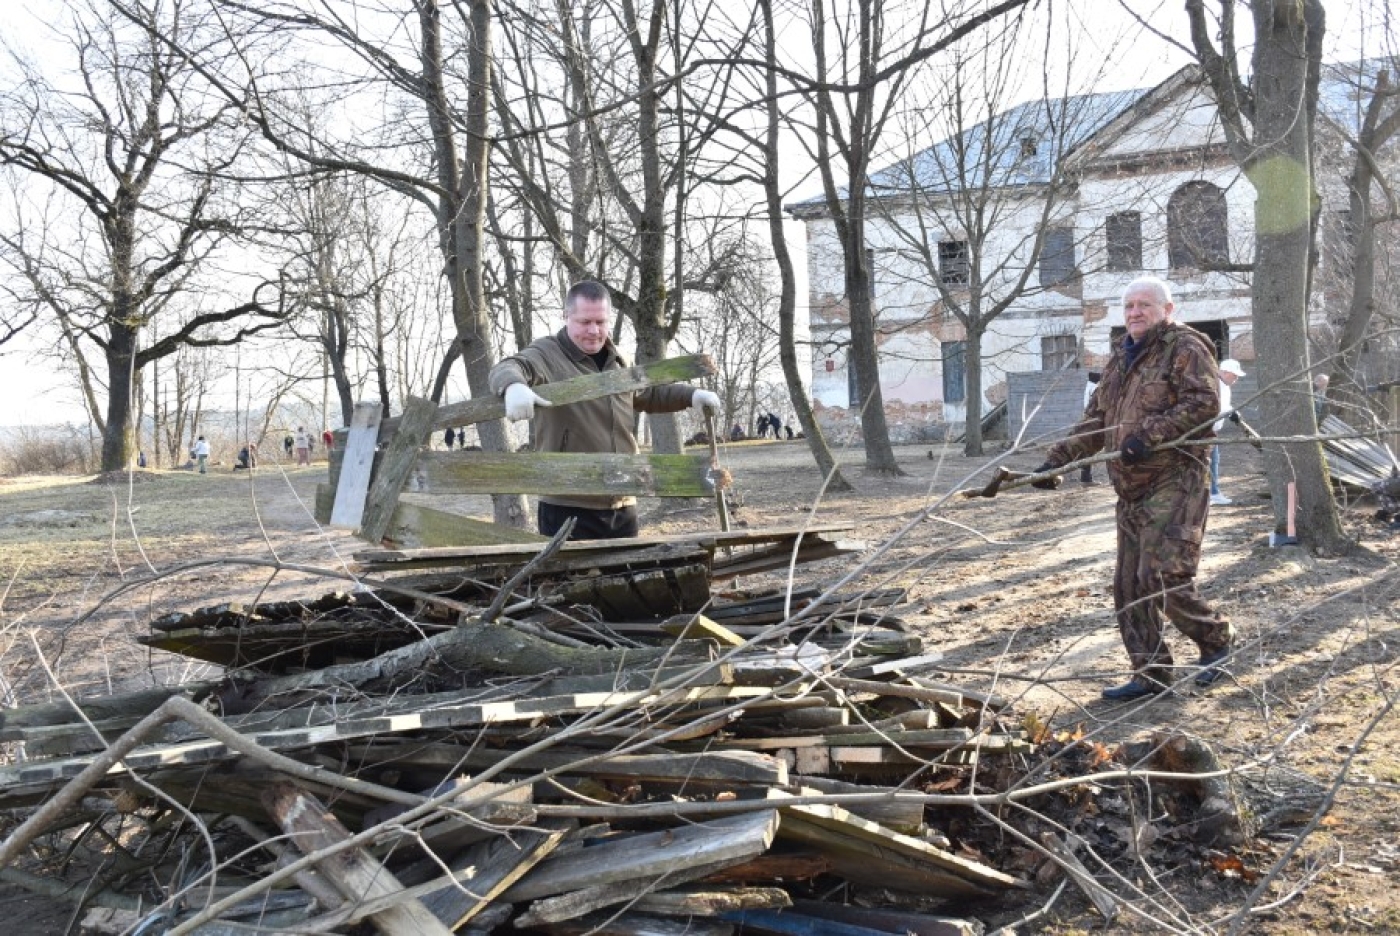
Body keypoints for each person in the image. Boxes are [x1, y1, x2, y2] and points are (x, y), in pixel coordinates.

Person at [1031, 277, 1234, 701]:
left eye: (1144, 305)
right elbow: (1096, 421)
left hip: (1175, 477)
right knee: (1128, 585)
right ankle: (1150, 673)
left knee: (1160, 575)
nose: (1135, 312)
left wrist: (1149, 434)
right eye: (1128, 306)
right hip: (1130, 488)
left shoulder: (1186, 347)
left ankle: (1216, 641)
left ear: (1167, 308)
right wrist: (1056, 460)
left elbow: (1204, 403)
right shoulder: (1121, 358)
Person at [488, 280, 721, 540]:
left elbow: (649, 392)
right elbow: (510, 366)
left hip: (623, 501)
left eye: (601, 322)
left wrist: (692, 395)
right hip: (567, 504)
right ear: (566, 317)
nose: (594, 330)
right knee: (569, 581)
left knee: (628, 579)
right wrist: (513, 386)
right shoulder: (546, 353)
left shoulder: (620, 359)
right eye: (585, 322)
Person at [1210, 359, 1245, 505]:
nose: (1236, 379)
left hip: (1214, 431)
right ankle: (1211, 493)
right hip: (1205, 431)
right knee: (1209, 462)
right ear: (1223, 372)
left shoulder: (1225, 386)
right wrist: (1230, 412)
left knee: (1214, 462)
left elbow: (1225, 405)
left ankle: (1213, 492)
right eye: (1234, 375)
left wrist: (1233, 412)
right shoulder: (1214, 384)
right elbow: (1216, 407)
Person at [1080, 372, 1101, 483]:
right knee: (1088, 450)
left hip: (1087, 420)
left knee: (1086, 449)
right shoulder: (1094, 389)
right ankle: (1086, 479)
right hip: (1093, 421)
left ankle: (1086, 478)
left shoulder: (1088, 387)